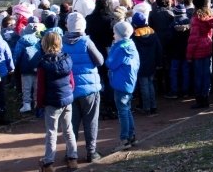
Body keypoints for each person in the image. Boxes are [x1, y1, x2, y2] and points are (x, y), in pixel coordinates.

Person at [63, 12, 104, 163]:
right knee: (90, 121)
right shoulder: (86, 42)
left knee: (71, 123)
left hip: (69, 89)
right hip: (89, 89)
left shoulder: (61, 42)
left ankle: (70, 153)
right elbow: (99, 61)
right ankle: (91, 152)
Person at [36, 32, 78, 172]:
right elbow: (72, 81)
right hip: (67, 99)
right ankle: (73, 158)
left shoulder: (43, 64)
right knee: (68, 129)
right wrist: (70, 92)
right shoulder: (67, 60)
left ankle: (48, 163)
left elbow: (40, 88)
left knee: (51, 132)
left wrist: (39, 104)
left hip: (51, 102)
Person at [107, 22, 140, 151]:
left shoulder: (121, 48)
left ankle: (124, 139)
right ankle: (131, 136)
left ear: (120, 34)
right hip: (128, 82)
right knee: (126, 109)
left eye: (115, 33)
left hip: (121, 84)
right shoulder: (131, 45)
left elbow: (110, 63)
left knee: (123, 112)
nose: (113, 35)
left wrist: (112, 48)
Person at [187, 0, 213, 109]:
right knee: (206, 75)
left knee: (198, 76)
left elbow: (193, 39)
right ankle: (205, 98)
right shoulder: (210, 18)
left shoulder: (196, 19)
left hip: (198, 50)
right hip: (208, 46)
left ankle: (199, 99)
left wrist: (189, 55)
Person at [132, 12, 162, 116]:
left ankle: (147, 108)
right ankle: (153, 106)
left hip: (141, 64)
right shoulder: (152, 32)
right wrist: (159, 62)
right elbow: (159, 48)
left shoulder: (135, 35)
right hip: (151, 62)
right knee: (150, 85)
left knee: (144, 86)